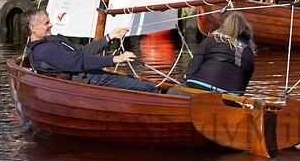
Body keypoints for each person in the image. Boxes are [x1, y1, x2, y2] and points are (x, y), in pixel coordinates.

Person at [23, 8, 158, 93]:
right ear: (33, 28)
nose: (51, 25)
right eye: (46, 23)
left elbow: (81, 51)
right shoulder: (44, 50)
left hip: (89, 75)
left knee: (144, 85)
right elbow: (77, 62)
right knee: (148, 88)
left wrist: (109, 37)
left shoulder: (51, 41)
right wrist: (115, 59)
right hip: (86, 81)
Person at [185, 12, 256, 96]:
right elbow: (243, 85)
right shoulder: (249, 52)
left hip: (199, 86)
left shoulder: (211, 39)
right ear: (246, 29)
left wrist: (187, 80)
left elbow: (193, 66)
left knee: (172, 91)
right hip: (229, 96)